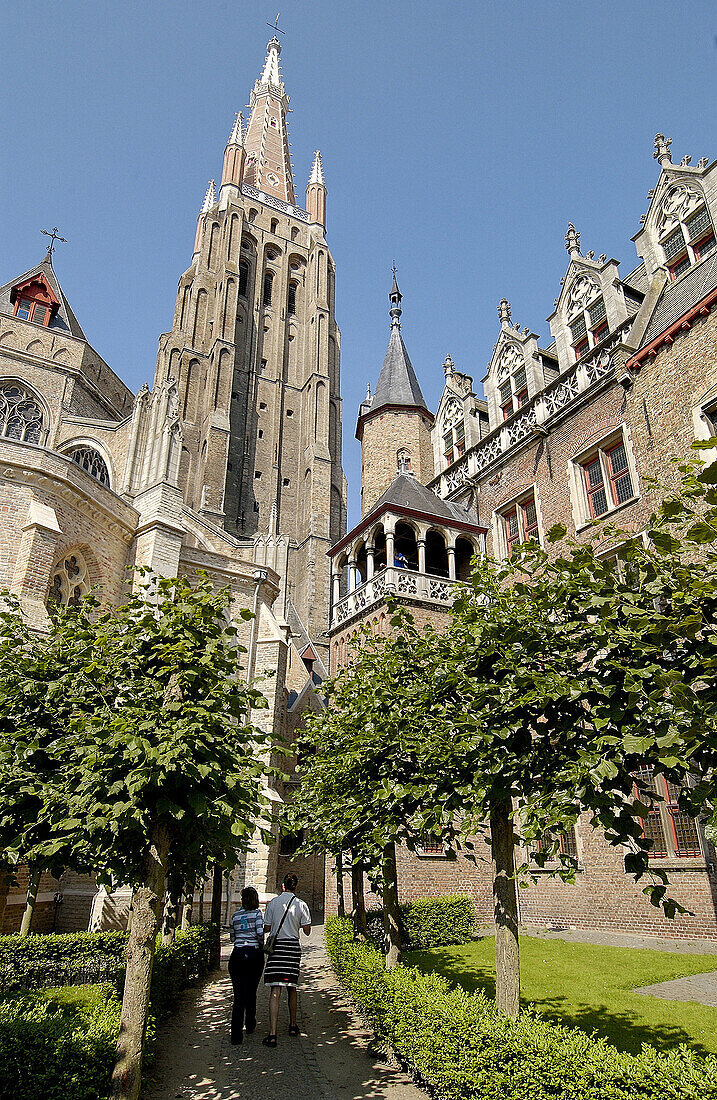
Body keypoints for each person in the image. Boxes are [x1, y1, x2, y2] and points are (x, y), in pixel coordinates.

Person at [261, 872, 311, 1047]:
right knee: (292, 987)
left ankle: (272, 1033)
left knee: (275, 990)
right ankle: (292, 1025)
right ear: (295, 886)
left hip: (277, 948)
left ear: (283, 886)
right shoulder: (301, 904)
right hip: (292, 948)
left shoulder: (273, 903)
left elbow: (266, 927)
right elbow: (307, 930)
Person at [228, 886, 265, 1044]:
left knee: (238, 996)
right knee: (251, 991)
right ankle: (250, 1023)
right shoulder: (257, 914)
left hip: (236, 955)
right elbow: (260, 934)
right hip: (253, 955)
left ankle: (236, 1034)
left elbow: (232, 937)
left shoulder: (235, 916)